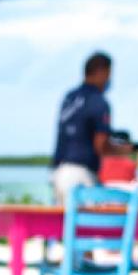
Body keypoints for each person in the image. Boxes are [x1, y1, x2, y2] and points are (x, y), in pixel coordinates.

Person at [51, 53, 128, 202]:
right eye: (108, 74)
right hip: (81, 176)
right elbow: (101, 146)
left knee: (67, 222)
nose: (109, 80)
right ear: (101, 72)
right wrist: (127, 150)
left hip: (59, 173)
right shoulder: (99, 102)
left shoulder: (69, 98)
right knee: (89, 223)